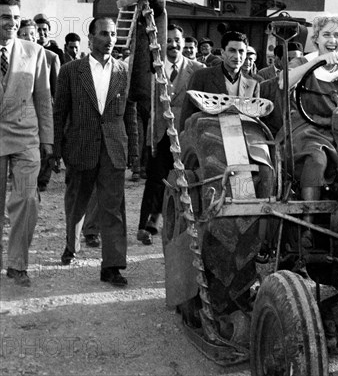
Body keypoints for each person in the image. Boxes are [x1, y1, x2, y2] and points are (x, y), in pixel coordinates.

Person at [53, 16, 138, 286]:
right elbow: (59, 113)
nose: (110, 39)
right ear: (90, 38)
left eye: (113, 34)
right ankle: (71, 245)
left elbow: (130, 114)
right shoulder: (70, 71)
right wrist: (55, 150)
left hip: (113, 148)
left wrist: (133, 152)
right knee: (77, 201)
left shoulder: (123, 71)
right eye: (103, 33)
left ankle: (112, 266)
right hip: (80, 146)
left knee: (112, 209)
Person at [277, 14, 338, 228]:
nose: (332, 40)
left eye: (337, 35)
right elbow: (282, 82)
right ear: (316, 38)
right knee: (316, 159)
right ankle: (309, 225)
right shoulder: (302, 62)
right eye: (326, 34)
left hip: (335, 131)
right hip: (301, 127)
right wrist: (317, 60)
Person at [0, 0, 53, 287]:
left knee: (27, 199)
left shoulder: (34, 52)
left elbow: (43, 98)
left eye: (16, 17)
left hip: (25, 137)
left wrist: (47, 139)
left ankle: (18, 264)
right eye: (5, 16)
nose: (11, 22)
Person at [137, 24, 204, 245]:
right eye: (169, 40)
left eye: (178, 40)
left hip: (186, 136)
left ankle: (182, 228)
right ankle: (147, 225)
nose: (173, 44)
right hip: (159, 134)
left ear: (184, 42)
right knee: (156, 180)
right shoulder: (153, 69)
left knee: (182, 181)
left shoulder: (197, 69)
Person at [180, 31, 260, 129]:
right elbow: (187, 116)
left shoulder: (252, 84)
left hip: (239, 140)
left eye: (241, 51)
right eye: (232, 50)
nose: (237, 56)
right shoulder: (201, 76)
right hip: (207, 138)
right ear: (222, 52)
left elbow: (254, 121)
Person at [18, 19, 61, 192]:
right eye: (24, 34)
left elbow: (56, 89)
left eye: (32, 34)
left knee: (44, 147)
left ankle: (42, 179)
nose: (29, 38)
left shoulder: (50, 56)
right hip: (20, 116)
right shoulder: (13, 57)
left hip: (43, 111)